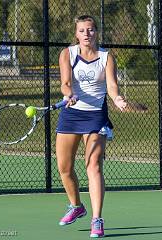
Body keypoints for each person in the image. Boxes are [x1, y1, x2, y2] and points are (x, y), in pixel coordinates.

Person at [55, 15, 127, 238]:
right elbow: (65, 84)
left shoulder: (106, 57)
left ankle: (97, 219)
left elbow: (112, 86)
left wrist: (117, 99)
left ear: (96, 32)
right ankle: (76, 206)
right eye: (82, 30)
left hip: (96, 117)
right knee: (64, 169)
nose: (87, 34)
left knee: (93, 165)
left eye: (91, 30)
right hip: (71, 115)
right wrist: (70, 94)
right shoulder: (68, 54)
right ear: (76, 34)